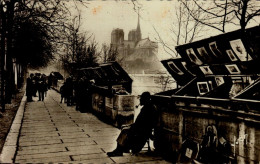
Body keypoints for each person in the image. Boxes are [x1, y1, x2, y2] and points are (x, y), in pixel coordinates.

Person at [107, 92, 158, 157]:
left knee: (124, 130)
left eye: (141, 98)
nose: (140, 100)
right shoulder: (148, 107)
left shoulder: (148, 109)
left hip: (142, 130)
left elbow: (142, 123)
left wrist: (131, 126)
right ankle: (121, 149)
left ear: (145, 99)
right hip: (141, 128)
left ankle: (119, 150)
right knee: (124, 127)